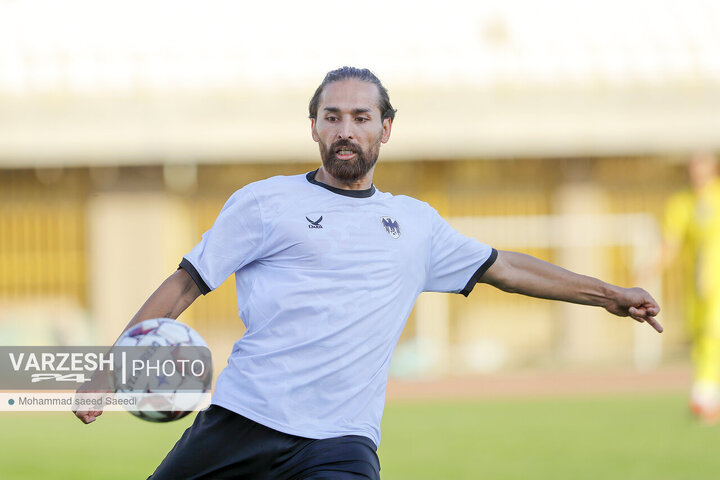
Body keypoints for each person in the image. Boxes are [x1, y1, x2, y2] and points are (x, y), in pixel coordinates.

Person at [74, 67, 662, 479]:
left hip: (341, 441)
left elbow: (504, 268)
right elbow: (184, 284)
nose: (346, 129)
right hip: (243, 420)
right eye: (332, 117)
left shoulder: (416, 225)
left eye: (361, 116)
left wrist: (606, 293)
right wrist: (109, 369)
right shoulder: (264, 203)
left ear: (385, 129)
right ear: (313, 128)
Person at [655, 152, 720, 423]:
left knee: (713, 336)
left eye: (702, 165)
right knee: (701, 339)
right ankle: (705, 396)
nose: (696, 171)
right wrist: (650, 268)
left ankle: (705, 397)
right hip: (697, 285)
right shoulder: (681, 203)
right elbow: (670, 243)